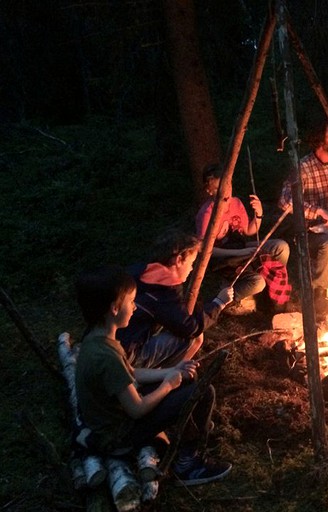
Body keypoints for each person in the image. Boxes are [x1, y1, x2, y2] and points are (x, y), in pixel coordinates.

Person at [75, 265, 232, 486]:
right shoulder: (106, 355)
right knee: (204, 392)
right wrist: (166, 385)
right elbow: (136, 409)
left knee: (188, 379)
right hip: (118, 435)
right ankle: (187, 466)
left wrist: (170, 371)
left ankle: (190, 435)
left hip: (109, 420)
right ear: (114, 308)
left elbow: (129, 374)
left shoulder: (98, 338)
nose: (134, 308)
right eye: (131, 302)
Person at [117, 228, 234, 369]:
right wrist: (219, 303)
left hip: (109, 341)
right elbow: (189, 327)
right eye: (191, 263)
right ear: (179, 260)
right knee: (193, 338)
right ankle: (166, 375)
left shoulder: (139, 271)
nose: (191, 269)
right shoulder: (164, 289)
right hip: (127, 356)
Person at [278, 120, 328, 309]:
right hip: (310, 232)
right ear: (319, 140)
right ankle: (319, 293)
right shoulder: (304, 167)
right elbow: (284, 201)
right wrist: (317, 211)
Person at [196, 163, 291, 313]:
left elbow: (249, 231)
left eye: (227, 186)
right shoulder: (207, 214)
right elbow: (206, 250)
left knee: (281, 247)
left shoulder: (236, 203)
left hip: (241, 247)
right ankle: (224, 302)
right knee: (257, 282)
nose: (226, 192)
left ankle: (271, 292)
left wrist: (258, 214)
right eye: (218, 189)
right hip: (223, 259)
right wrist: (241, 253)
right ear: (209, 191)